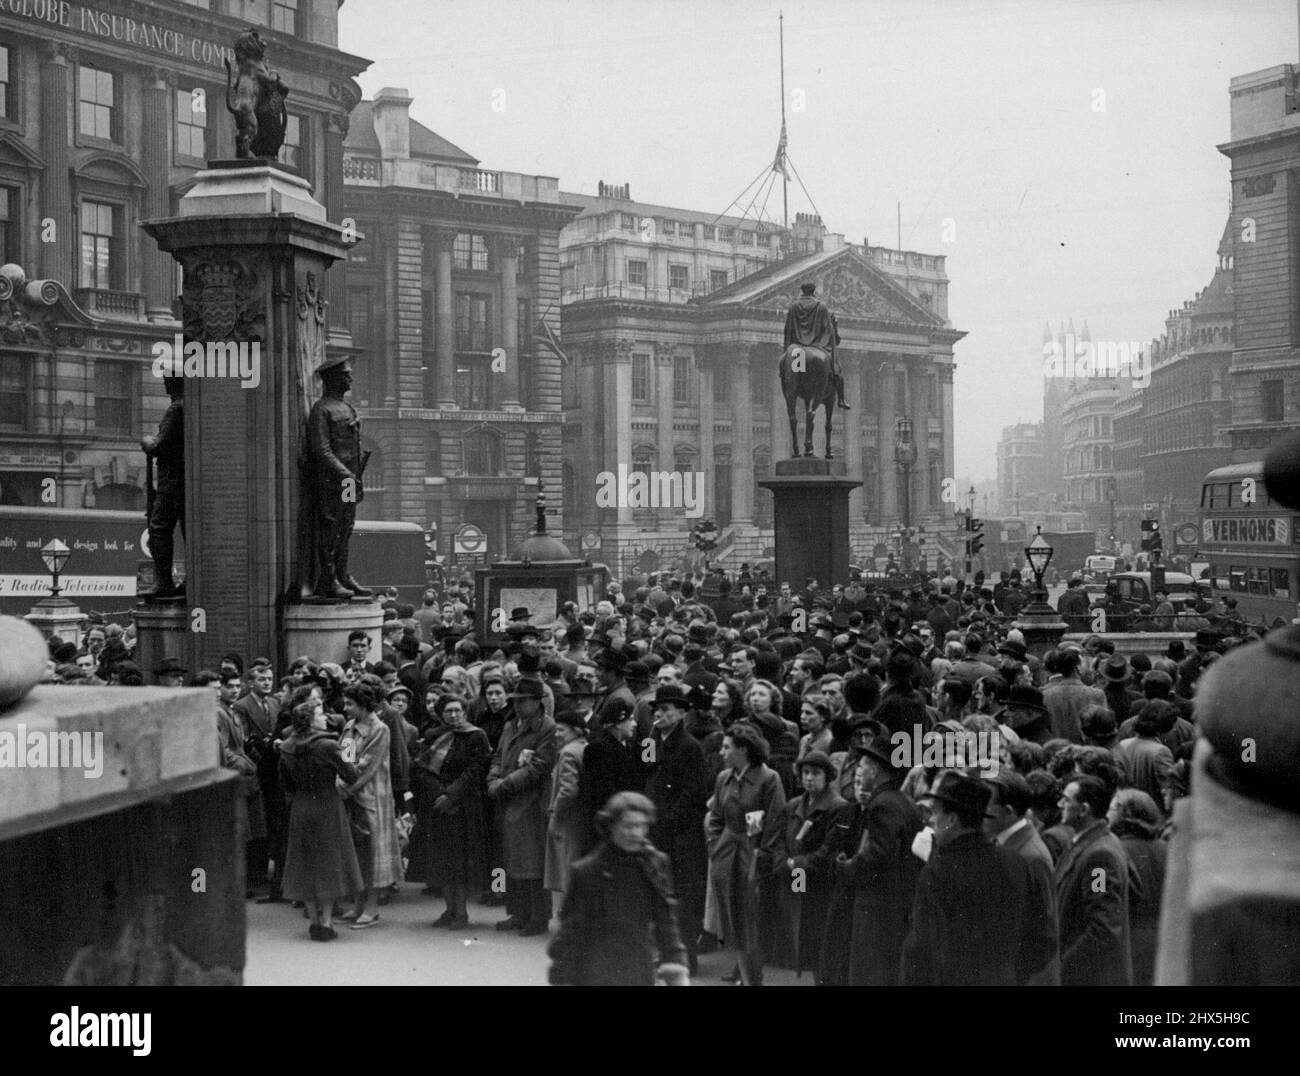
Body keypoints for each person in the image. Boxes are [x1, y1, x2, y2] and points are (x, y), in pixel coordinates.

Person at [901, 773, 1036, 986]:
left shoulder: (938, 871)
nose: (931, 820)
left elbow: (920, 950)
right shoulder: (1016, 862)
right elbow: (1036, 938)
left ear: (953, 819)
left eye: (936, 813)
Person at [548, 791, 690, 986]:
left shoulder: (655, 865)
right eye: (628, 825)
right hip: (596, 972)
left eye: (641, 825)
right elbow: (571, 929)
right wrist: (561, 972)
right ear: (611, 826)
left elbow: (666, 919)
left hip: (638, 969)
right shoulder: (587, 871)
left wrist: (675, 961)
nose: (635, 833)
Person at [815, 731, 921, 986]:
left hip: (877, 907)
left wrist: (846, 867)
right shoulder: (902, 801)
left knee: (870, 972)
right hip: (897, 903)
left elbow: (876, 856)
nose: (858, 770)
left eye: (863, 765)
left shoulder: (882, 805)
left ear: (875, 770)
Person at [705, 722, 786, 986]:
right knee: (734, 927)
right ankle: (747, 978)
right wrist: (715, 846)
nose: (722, 752)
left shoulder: (769, 778)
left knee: (752, 926)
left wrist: (763, 857)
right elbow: (715, 818)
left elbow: (775, 822)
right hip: (726, 857)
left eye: (727, 747)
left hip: (754, 858)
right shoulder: (723, 778)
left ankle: (754, 980)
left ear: (743, 749)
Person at [277, 699, 363, 941]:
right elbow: (351, 773)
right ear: (311, 719)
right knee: (329, 862)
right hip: (327, 804)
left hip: (301, 806)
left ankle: (314, 920)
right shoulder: (328, 744)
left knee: (304, 862)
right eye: (320, 713)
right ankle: (326, 921)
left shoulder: (286, 746)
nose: (325, 717)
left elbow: (284, 783)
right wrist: (350, 751)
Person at [644, 682, 711, 975]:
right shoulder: (652, 740)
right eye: (657, 710)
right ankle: (667, 952)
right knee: (662, 894)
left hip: (680, 834)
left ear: (681, 712)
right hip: (657, 828)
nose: (660, 714)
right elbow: (645, 775)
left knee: (683, 898)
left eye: (666, 709)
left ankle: (687, 957)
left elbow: (692, 792)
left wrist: (668, 819)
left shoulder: (689, 746)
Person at [410, 694, 491, 930]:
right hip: (438, 806)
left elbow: (476, 769)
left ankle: (461, 912)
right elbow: (420, 768)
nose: (454, 715)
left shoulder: (476, 736)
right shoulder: (434, 736)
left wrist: (452, 795)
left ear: (464, 712)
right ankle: (448, 909)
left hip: (465, 805)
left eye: (458, 710)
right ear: (441, 714)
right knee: (442, 860)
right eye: (448, 711)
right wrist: (438, 795)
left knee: (460, 861)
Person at [486, 678, 557, 936]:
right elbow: (497, 755)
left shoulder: (547, 728)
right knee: (512, 862)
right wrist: (493, 778)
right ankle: (518, 912)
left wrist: (503, 784)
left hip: (531, 802)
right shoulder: (510, 726)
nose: (517, 705)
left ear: (537, 702)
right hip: (508, 800)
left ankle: (538, 917)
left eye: (523, 700)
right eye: (515, 700)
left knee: (533, 864)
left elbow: (539, 766)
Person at [770, 751, 845, 981]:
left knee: (819, 935)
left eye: (816, 773)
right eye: (805, 773)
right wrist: (785, 863)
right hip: (797, 875)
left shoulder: (837, 806)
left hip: (820, 882)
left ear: (828, 776)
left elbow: (829, 850)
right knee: (800, 925)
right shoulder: (793, 805)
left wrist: (797, 864)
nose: (809, 778)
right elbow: (779, 839)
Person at [1054, 774, 1132, 985]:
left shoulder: (1100, 858)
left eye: (1066, 800)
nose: (1060, 804)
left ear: (1084, 809)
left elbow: (1103, 928)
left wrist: (1062, 964)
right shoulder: (1089, 843)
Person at [304, 354, 371, 599]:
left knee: (347, 528)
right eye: (346, 375)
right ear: (333, 379)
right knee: (330, 530)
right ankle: (328, 579)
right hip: (333, 483)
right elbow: (321, 450)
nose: (350, 379)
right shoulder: (321, 409)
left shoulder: (347, 407)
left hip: (350, 481)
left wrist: (354, 478)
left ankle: (343, 575)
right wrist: (345, 474)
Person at [984, 770, 1060, 984]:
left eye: (986, 805)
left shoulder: (1031, 856)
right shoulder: (1009, 845)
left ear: (1008, 812)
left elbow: (1042, 934)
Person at [338, 682, 404, 928]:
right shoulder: (349, 727)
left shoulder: (380, 729)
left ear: (364, 706)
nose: (345, 708)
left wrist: (344, 788)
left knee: (373, 854)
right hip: (350, 796)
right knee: (356, 853)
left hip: (373, 798)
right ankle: (357, 904)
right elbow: (345, 761)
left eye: (350, 704)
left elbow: (366, 766)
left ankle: (372, 908)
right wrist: (341, 784)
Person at [1108, 788, 1167, 986]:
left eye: (1112, 809)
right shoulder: (1168, 848)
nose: (1107, 814)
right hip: (1164, 940)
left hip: (1130, 945)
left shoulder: (1114, 851)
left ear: (1126, 815)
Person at [140, 375, 185, 599]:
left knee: (158, 528)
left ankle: (164, 583)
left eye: (169, 380)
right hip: (183, 480)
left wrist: (147, 441)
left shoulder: (175, 409)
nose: (166, 385)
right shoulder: (190, 407)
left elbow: (158, 444)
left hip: (172, 481)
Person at [543, 709, 590, 910]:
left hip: (567, 819)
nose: (557, 734)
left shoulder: (568, 752)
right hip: (580, 817)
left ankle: (570, 917)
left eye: (561, 730)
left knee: (566, 870)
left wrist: (556, 813)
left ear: (575, 730)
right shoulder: (584, 748)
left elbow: (568, 789)